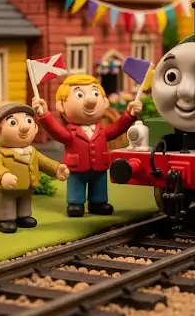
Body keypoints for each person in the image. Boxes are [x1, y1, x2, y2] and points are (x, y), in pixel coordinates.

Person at [32, 74, 142, 218]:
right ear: (62, 106)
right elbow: (55, 130)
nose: (91, 100)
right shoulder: (70, 133)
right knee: (76, 185)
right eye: (79, 95)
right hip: (77, 168)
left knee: (99, 185)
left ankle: (98, 202)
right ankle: (75, 204)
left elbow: (118, 128)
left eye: (95, 93)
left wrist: (129, 115)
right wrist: (44, 115)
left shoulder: (102, 130)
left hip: (99, 166)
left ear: (105, 102)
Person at [0, 104, 69, 234]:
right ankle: (5, 219)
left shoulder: (32, 151)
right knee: (7, 202)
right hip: (7, 188)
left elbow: (44, 162)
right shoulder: (0, 154)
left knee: (25, 201)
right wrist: (3, 176)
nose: (24, 127)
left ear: (35, 128)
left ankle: (23, 216)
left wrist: (56, 169)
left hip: (28, 186)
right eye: (13, 123)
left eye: (28, 121)